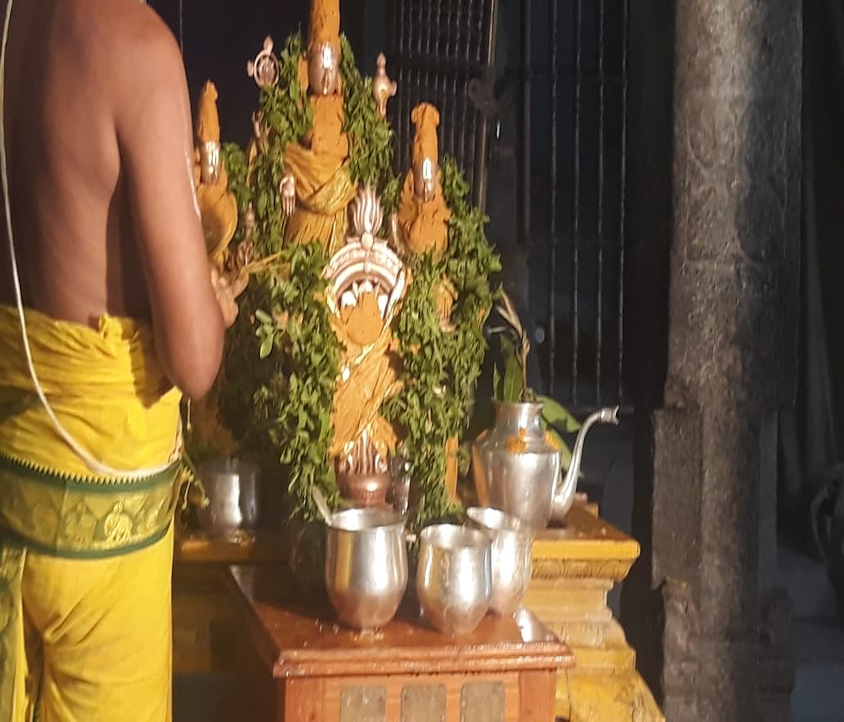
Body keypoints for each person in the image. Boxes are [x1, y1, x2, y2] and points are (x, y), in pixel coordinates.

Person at [0, 0, 239, 719]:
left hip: (16, 494)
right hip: (100, 539)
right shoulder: (138, 49)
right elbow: (193, 362)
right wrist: (213, 306)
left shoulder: (12, 25)